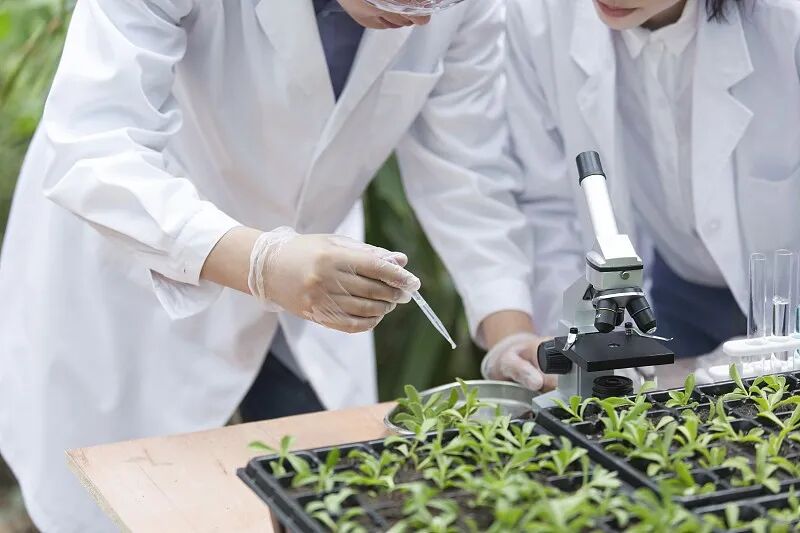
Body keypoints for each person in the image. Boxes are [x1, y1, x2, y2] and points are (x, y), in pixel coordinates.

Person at [0, 0, 538, 530]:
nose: (420, 16)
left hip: (307, 289)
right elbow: (95, 146)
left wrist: (509, 332)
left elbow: (467, 171)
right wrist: (259, 262)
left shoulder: (457, 8)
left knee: (322, 498)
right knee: (131, 501)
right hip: (140, 265)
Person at [481, 0, 800, 388]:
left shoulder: (786, 19)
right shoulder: (542, 16)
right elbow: (551, 205)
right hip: (677, 285)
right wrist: (566, 343)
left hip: (790, 299)